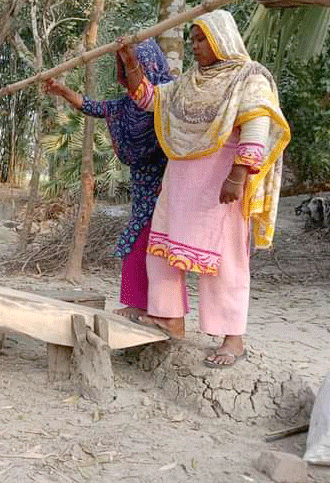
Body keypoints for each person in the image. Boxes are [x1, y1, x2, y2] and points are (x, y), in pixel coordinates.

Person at [116, 10, 290, 367]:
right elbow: (150, 100)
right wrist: (131, 63)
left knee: (225, 260)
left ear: (222, 39)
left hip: (220, 184)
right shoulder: (188, 81)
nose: (195, 46)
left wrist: (238, 176)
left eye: (202, 39)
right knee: (161, 249)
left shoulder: (249, 77)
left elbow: (256, 125)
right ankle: (170, 318)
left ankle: (232, 338)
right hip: (180, 182)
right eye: (193, 39)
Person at [43, 38, 180, 321]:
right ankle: (137, 304)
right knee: (136, 242)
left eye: (133, 67)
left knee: (159, 248)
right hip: (142, 189)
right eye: (125, 68)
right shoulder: (124, 107)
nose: (128, 75)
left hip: (168, 186)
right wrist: (62, 90)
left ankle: (163, 312)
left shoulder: (169, 101)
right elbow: (90, 106)